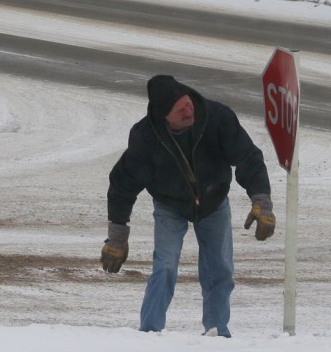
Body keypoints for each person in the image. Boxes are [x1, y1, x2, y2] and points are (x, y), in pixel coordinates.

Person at [100, 74, 275, 337]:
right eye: (180, 109)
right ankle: (149, 332)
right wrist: (117, 237)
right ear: (164, 116)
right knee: (165, 266)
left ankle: (217, 331)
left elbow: (248, 157)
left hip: (213, 201)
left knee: (221, 270)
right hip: (170, 205)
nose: (188, 109)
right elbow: (123, 185)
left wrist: (261, 199)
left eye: (188, 103)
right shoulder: (146, 139)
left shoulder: (216, 118)